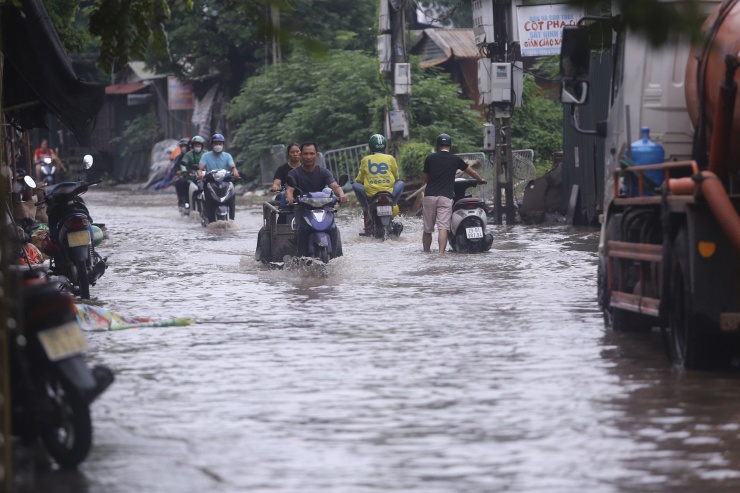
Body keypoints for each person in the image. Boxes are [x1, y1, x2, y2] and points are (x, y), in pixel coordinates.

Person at [422, 133, 486, 255]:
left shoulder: (430, 158)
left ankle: (426, 253)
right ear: (450, 146)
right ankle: (441, 254)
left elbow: (425, 179)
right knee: (443, 227)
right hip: (445, 197)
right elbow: (471, 171)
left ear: (438, 146)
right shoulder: (455, 159)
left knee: (427, 229)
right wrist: (480, 180)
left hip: (430, 196)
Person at [285, 142, 348, 256]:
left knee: (333, 228)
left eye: (311, 154)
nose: (309, 157)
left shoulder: (324, 172)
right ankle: (300, 256)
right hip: (303, 210)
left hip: (323, 209)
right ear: (301, 155)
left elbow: (334, 186)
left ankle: (336, 257)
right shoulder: (294, 173)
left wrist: (341, 195)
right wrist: (289, 197)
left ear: (317, 155)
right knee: (301, 230)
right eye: (305, 154)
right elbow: (290, 189)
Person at [352, 134, 404, 236]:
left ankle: (366, 208)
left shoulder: (366, 160)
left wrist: (356, 181)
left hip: (371, 195)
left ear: (371, 146)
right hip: (389, 193)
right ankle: (393, 203)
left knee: (354, 185)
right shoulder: (390, 158)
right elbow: (397, 177)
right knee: (401, 182)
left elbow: (359, 179)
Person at [175, 136, 206, 209]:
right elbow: (183, 164)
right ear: (192, 146)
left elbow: (212, 163)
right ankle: (187, 203)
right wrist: (184, 171)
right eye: (195, 145)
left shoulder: (206, 154)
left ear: (202, 145)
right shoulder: (188, 155)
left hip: (204, 177)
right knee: (185, 184)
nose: (197, 147)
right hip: (191, 177)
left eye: (199, 145)